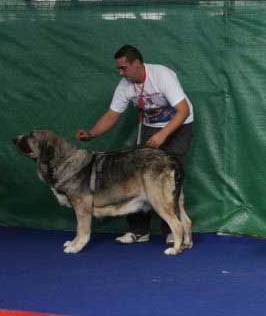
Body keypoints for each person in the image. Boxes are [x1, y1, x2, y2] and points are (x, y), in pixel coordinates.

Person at [75, 44, 194, 245]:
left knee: (168, 176)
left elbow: (182, 110)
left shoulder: (161, 75)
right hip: (150, 126)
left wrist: (164, 134)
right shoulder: (125, 86)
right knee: (133, 175)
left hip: (179, 124)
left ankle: (172, 231)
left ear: (137, 64)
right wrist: (91, 133)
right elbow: (112, 115)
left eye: (124, 68)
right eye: (119, 69)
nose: (121, 73)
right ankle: (139, 231)